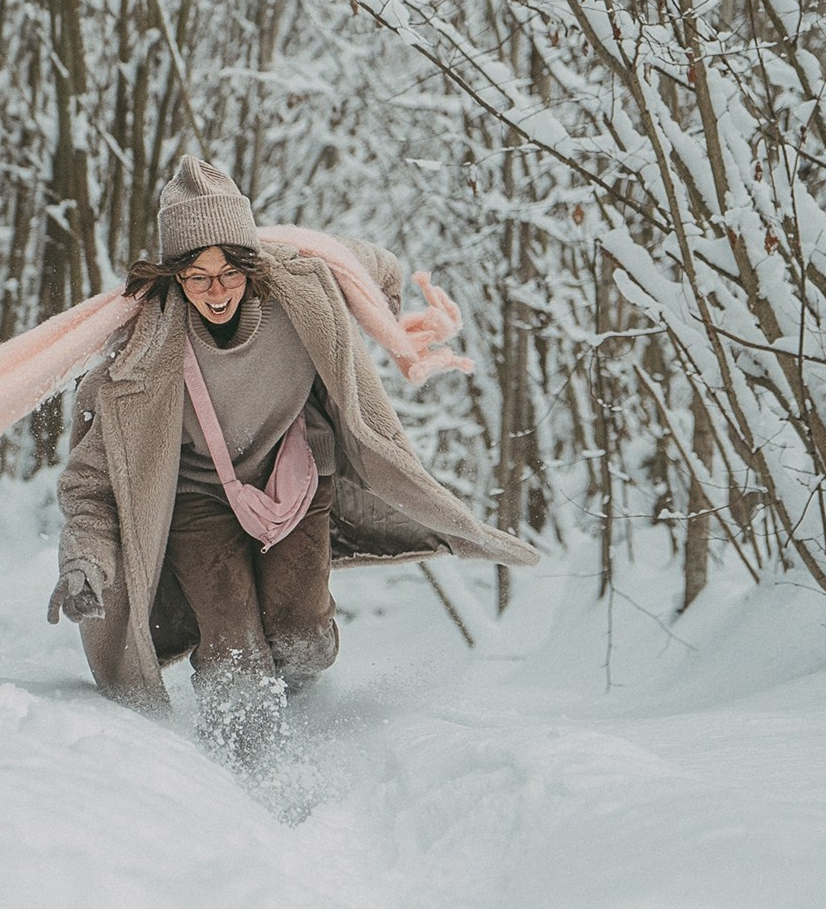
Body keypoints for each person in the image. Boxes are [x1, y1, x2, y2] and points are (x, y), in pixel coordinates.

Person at [48, 157, 537, 759]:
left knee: (300, 633)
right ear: (174, 277)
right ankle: (246, 763)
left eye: (230, 271)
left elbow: (368, 265)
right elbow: (91, 482)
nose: (217, 291)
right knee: (232, 643)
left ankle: (299, 707)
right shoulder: (145, 356)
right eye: (197, 277)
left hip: (297, 474)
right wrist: (84, 561)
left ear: (252, 265)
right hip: (199, 502)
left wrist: (382, 316)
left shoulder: (300, 289)